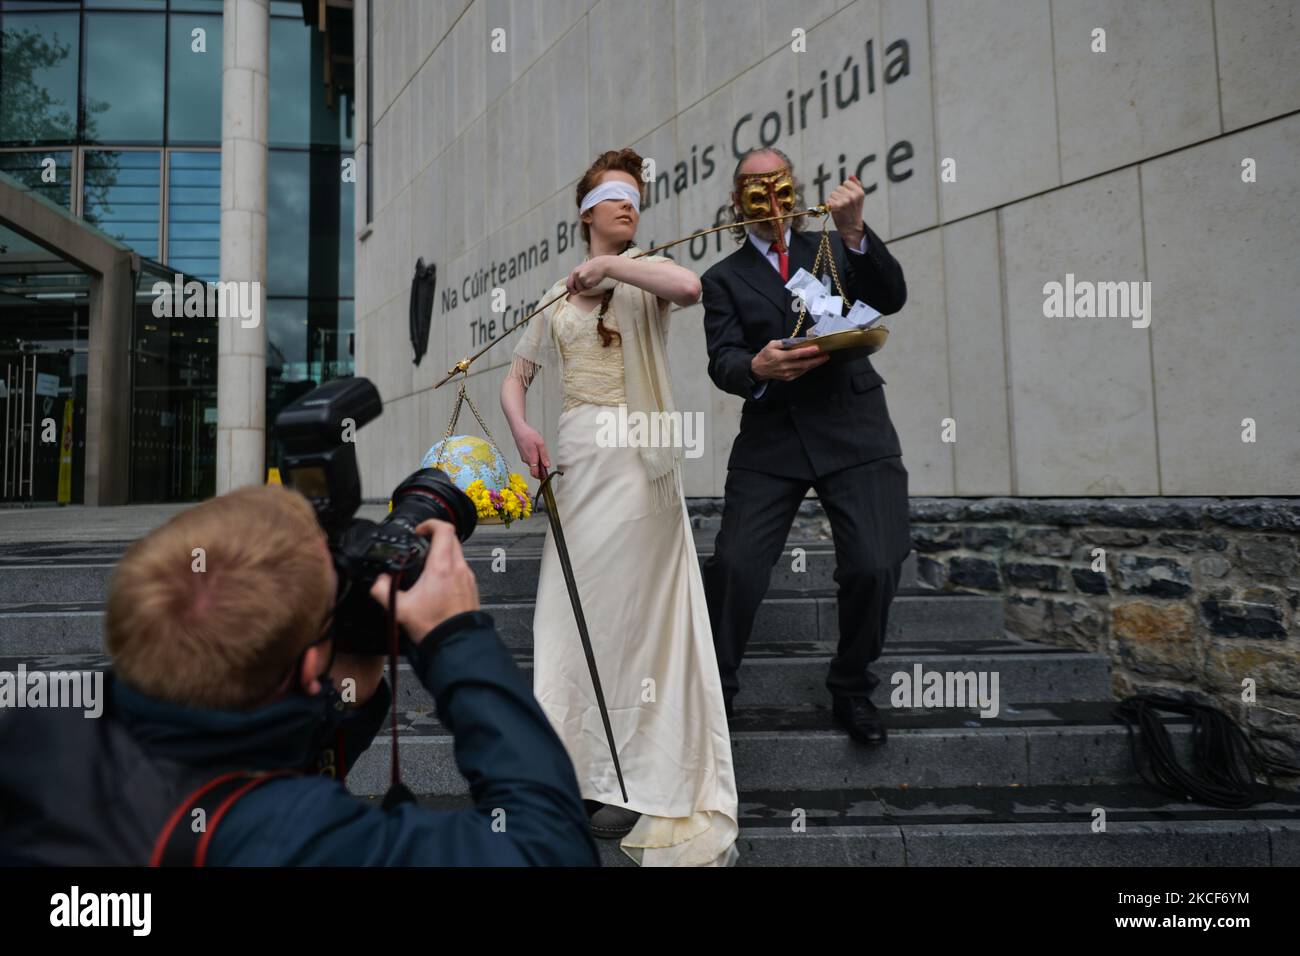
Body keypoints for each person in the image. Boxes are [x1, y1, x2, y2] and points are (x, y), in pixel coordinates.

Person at [0, 485, 598, 866]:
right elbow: (550, 849)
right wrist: (456, 638)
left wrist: (347, 696)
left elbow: (219, 745)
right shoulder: (291, 836)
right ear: (311, 660)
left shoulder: (36, 735)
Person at [501, 148, 739, 866]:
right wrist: (522, 427)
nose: (628, 205)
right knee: (573, 618)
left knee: (640, 620)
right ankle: (573, 774)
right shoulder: (552, 295)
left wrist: (611, 267)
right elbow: (514, 382)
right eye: (614, 197)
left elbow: (691, 287)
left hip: (639, 464)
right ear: (586, 213)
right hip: (577, 461)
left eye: (635, 196)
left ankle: (643, 774)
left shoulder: (643, 278)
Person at [700, 146, 912, 744]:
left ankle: (850, 687)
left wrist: (855, 230)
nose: (768, 200)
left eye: (778, 186)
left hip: (855, 425)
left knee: (875, 564)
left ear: (795, 190)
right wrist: (757, 367)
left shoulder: (835, 243)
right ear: (736, 199)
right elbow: (722, 359)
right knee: (737, 565)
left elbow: (890, 298)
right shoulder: (722, 278)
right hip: (773, 436)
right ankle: (718, 694)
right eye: (752, 188)